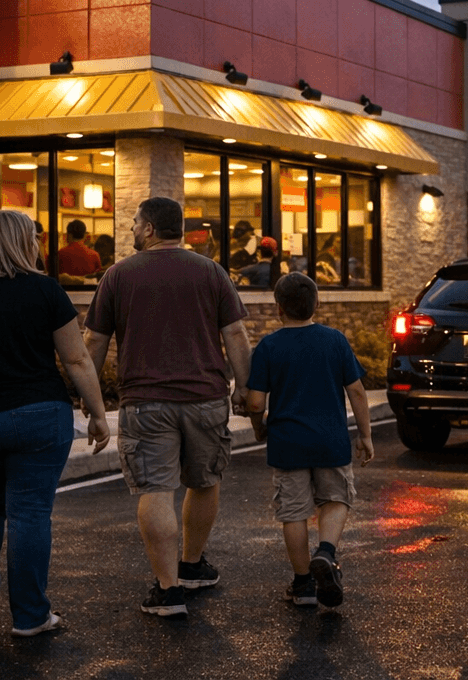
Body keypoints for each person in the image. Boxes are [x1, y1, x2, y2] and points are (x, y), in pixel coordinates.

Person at [84, 196, 253, 617]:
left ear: (150, 229)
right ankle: (193, 565)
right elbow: (235, 335)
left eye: (135, 223)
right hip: (206, 398)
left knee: (157, 489)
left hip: (145, 402)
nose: (131, 230)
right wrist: (243, 388)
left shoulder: (118, 275)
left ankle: (168, 589)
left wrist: (91, 404)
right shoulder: (212, 271)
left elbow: (94, 343)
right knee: (204, 480)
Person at [0, 210, 110, 638]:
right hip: (40, 414)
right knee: (29, 513)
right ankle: (30, 616)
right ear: (27, 243)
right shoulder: (46, 291)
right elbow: (76, 358)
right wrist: (96, 413)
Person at [245, 273, 373, 610]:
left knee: (294, 513)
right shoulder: (335, 340)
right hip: (330, 441)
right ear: (316, 304)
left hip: (287, 444)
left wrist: (259, 427)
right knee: (335, 498)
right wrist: (366, 434)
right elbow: (357, 390)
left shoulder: (269, 347)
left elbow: (256, 402)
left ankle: (303, 585)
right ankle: (326, 553)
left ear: (278, 309)